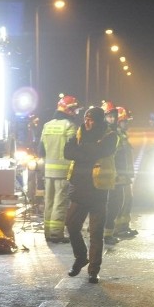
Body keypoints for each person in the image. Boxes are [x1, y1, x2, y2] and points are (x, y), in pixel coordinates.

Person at [63, 106, 118, 284]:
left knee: (96, 233)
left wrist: (81, 151)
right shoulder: (79, 132)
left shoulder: (110, 136)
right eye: (86, 118)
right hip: (79, 188)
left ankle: (93, 270)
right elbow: (67, 152)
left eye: (91, 119)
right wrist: (87, 150)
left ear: (99, 121)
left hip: (98, 191)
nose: (87, 122)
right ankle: (81, 258)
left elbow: (100, 152)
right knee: (71, 225)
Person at [38, 94, 80, 243]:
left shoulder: (47, 125)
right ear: (67, 110)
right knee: (60, 202)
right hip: (63, 171)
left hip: (48, 170)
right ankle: (56, 233)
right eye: (73, 109)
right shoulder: (70, 126)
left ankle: (48, 232)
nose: (75, 112)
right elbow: (73, 149)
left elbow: (41, 150)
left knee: (48, 201)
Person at [112, 106, 138, 239]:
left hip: (125, 175)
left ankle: (123, 227)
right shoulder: (116, 136)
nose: (127, 124)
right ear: (118, 121)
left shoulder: (121, 135)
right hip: (120, 175)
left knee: (127, 199)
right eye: (125, 121)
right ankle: (116, 228)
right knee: (121, 201)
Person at [101, 101, 123, 244]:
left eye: (114, 116)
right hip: (106, 175)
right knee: (109, 205)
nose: (113, 119)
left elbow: (121, 156)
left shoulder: (116, 132)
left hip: (115, 173)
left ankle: (108, 232)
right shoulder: (105, 133)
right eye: (109, 116)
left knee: (116, 203)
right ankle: (106, 234)